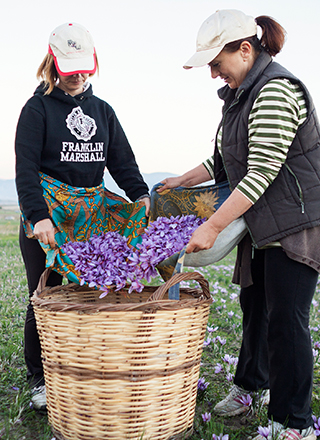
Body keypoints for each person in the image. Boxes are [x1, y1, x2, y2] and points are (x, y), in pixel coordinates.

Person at [158, 9, 320, 440]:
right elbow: (224, 159)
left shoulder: (275, 90)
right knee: (254, 309)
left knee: (287, 318)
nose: (212, 73)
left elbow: (262, 170)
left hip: (294, 219)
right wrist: (183, 180)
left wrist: (210, 226)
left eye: (216, 63)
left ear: (245, 50)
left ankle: (294, 421)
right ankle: (251, 386)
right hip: (258, 219)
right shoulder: (239, 96)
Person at [15, 22, 150, 411]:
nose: (78, 76)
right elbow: (25, 170)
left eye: (85, 67)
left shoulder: (102, 111)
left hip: (89, 218)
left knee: (90, 295)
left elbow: (122, 162)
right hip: (48, 218)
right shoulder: (37, 108)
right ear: (53, 64)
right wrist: (39, 217)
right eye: (69, 67)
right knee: (46, 293)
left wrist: (140, 195)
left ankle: (79, 367)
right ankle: (40, 377)